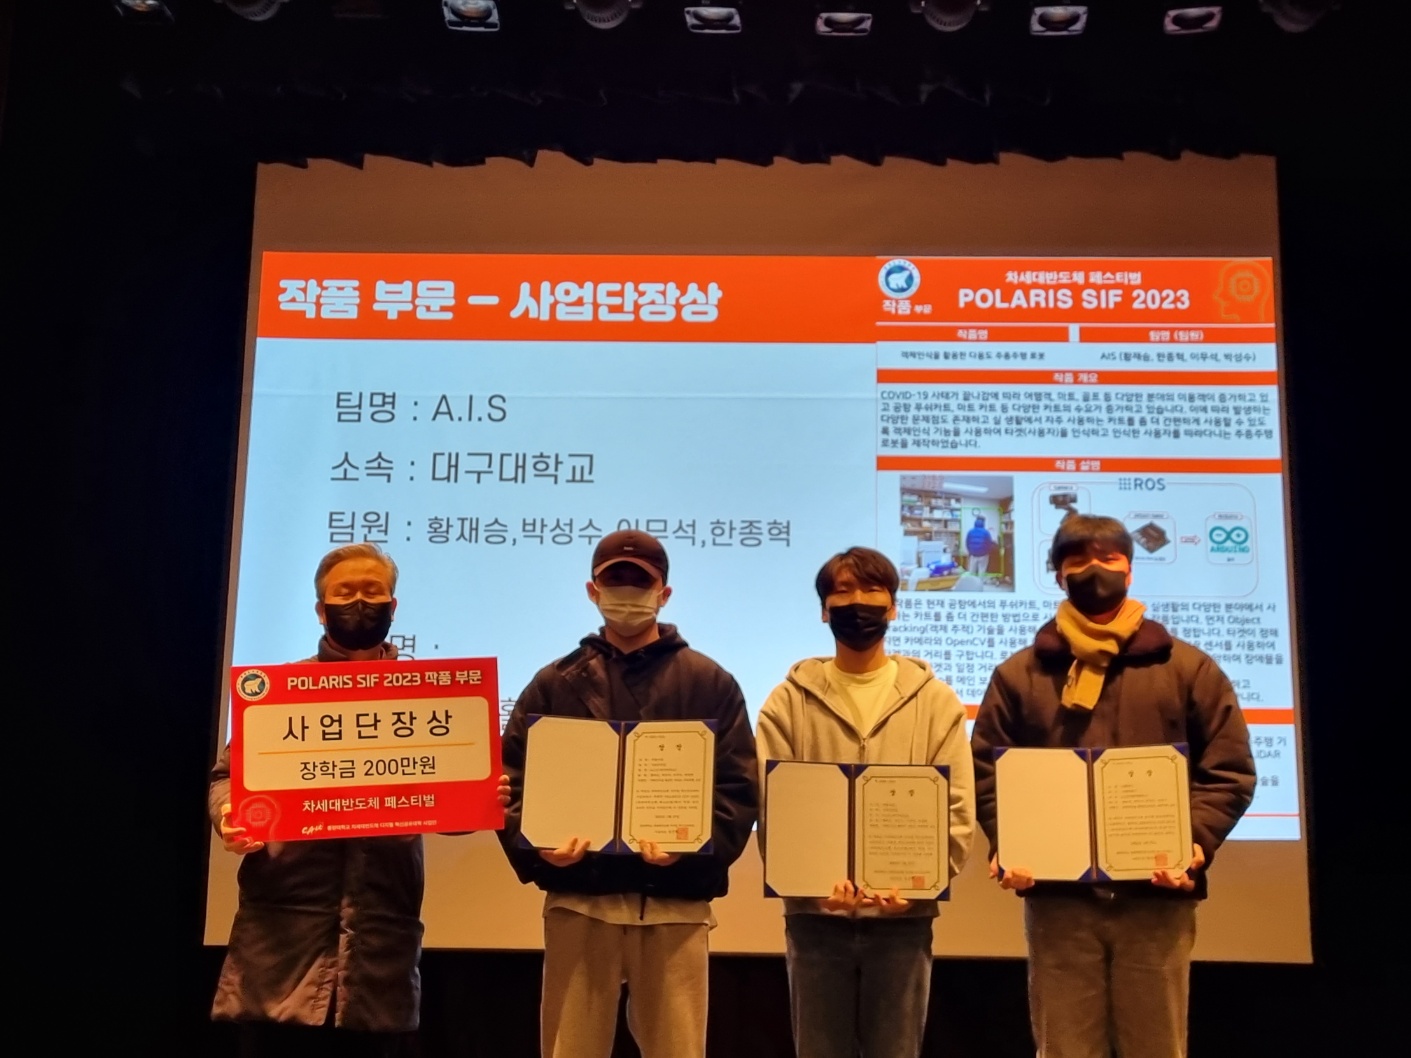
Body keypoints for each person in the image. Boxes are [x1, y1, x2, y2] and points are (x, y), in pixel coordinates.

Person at [971, 515, 1255, 1058]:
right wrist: (1010, 842)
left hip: (1156, 898)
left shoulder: (1187, 668)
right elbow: (987, 772)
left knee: (1157, 1047)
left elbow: (1229, 769)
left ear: (1129, 569)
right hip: (1059, 903)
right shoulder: (1019, 676)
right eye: (1077, 560)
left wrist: (1194, 842)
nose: (1094, 570)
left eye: (1108, 558)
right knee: (1064, 1049)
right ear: (1058, 575)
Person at [210, 543, 506, 1058]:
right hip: (281, 941)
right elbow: (226, 779)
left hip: (378, 942)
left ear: (393, 606)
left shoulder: (429, 696)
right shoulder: (283, 692)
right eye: (344, 593)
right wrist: (229, 815)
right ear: (321, 609)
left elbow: (451, 811)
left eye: (373, 591)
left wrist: (481, 797)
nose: (359, 603)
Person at [497, 529, 758, 1058]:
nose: (627, 594)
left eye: (640, 583)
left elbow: (738, 788)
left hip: (675, 910)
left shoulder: (710, 682)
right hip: (579, 902)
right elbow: (510, 783)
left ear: (664, 593)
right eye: (614, 582)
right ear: (592, 591)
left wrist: (690, 848)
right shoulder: (554, 682)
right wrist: (538, 847)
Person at [755, 547, 975, 1058]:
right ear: (824, 610)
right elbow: (772, 806)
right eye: (843, 592)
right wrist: (809, 887)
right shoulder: (787, 702)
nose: (859, 602)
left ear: (893, 606)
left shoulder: (935, 701)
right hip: (815, 922)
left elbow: (958, 808)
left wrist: (920, 885)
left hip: (904, 921)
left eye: (873, 590)